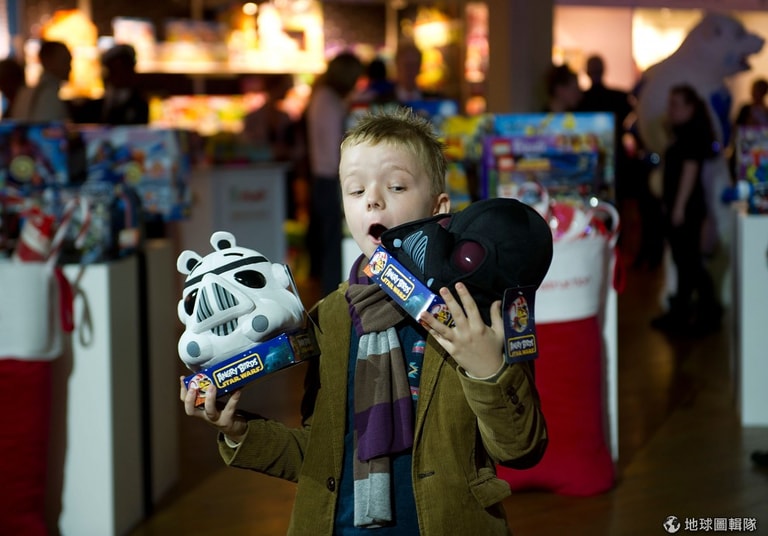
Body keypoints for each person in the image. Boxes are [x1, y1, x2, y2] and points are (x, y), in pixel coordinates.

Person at [180, 107, 548, 535]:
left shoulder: (475, 310)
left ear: (439, 207)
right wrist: (238, 430)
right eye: (355, 190)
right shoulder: (330, 317)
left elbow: (521, 448)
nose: (372, 199)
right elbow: (319, 455)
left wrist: (488, 370)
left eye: (396, 186)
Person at [651, 84, 722, 336]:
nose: (670, 109)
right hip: (682, 205)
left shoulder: (691, 133)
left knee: (687, 261)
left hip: (687, 207)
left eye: (676, 104)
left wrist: (679, 207)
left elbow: (690, 173)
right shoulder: (683, 132)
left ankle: (694, 311)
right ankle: (691, 310)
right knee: (686, 261)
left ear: (690, 108)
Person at [304, 51, 364, 296]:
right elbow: (333, 147)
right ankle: (332, 299)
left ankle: (330, 297)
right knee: (332, 247)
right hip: (330, 179)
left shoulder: (322, 97)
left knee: (328, 244)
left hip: (323, 177)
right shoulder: (328, 101)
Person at [11, 40, 72, 122]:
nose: (70, 67)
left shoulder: (24, 94)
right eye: (65, 61)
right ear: (49, 61)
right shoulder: (49, 97)